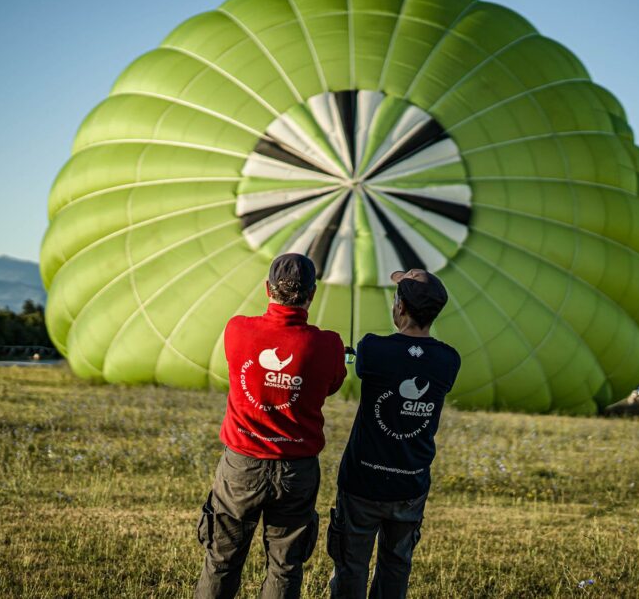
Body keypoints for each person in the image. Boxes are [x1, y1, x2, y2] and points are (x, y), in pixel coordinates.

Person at [195, 253, 347, 599]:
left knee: (222, 559)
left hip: (241, 466)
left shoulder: (238, 329)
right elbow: (333, 384)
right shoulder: (329, 344)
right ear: (312, 294)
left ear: (268, 289)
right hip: (297, 470)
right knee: (285, 566)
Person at [327, 269, 461, 599]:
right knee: (396, 564)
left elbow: (363, 366)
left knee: (351, 564)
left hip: (363, 481)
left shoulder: (373, 349)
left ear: (400, 307)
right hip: (410, 484)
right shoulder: (448, 360)